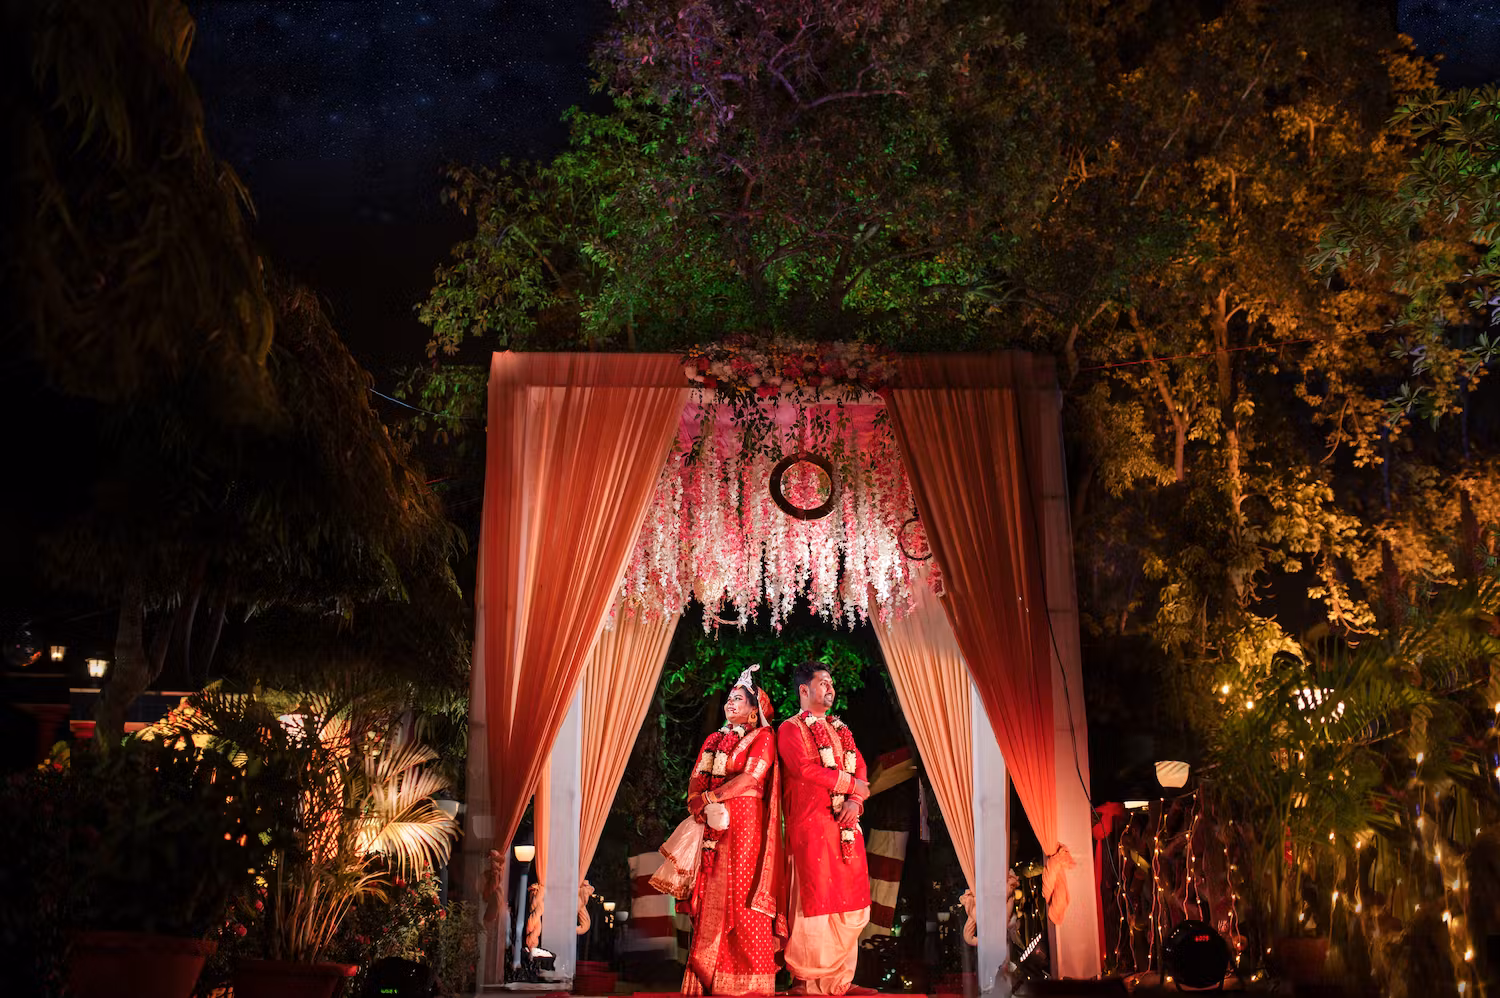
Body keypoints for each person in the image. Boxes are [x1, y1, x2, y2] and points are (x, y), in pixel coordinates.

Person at [679, 664, 783, 995]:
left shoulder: (764, 737)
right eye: (728, 698)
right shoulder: (714, 739)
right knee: (711, 892)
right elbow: (697, 776)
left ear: (755, 710)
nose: (730, 703)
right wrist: (697, 801)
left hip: (746, 824)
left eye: (738, 699)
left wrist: (711, 796)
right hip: (712, 824)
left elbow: (752, 777)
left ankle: (749, 984)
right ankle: (709, 974)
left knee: (743, 898)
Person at [778, 663, 876, 996]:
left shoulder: (841, 730)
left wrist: (855, 802)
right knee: (813, 899)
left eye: (832, 682)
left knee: (852, 898)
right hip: (810, 824)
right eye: (823, 683)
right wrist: (849, 783)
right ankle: (805, 979)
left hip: (845, 825)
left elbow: (861, 769)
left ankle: (837, 978)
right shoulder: (790, 729)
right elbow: (803, 768)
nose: (830, 688)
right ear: (804, 690)